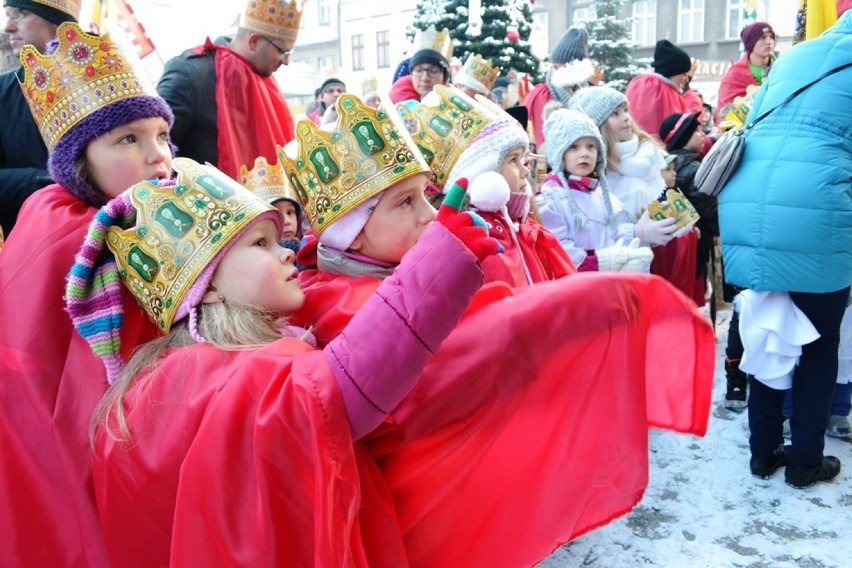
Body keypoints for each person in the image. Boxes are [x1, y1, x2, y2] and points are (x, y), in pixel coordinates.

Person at [281, 94, 715, 565]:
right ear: (353, 234)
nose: (429, 213)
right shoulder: (339, 300)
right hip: (415, 516)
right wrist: (584, 306)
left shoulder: (387, 268)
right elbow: (467, 349)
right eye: (406, 202)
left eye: (427, 194)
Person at [65, 156, 492, 565]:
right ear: (206, 289)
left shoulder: (159, 381)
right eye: (260, 244)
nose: (287, 250)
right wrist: (438, 263)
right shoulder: (223, 370)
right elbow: (332, 396)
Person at [0, 21, 172, 565]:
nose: (156, 154)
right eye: (128, 139)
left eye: (161, 135)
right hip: (76, 451)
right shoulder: (92, 239)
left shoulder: (70, 212)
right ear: (79, 163)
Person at [718, 8, 852, 488]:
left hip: (750, 202)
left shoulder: (799, 55)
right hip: (816, 206)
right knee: (818, 343)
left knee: (767, 331)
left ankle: (763, 452)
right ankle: (805, 462)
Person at [396, 84, 576, 287]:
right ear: (482, 174)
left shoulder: (521, 225)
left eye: (523, 160)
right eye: (513, 160)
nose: (525, 171)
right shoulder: (476, 237)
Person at [570, 86, 703, 304]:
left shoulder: (648, 153)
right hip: (611, 269)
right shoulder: (596, 169)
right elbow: (596, 227)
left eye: (625, 110)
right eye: (615, 114)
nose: (625, 118)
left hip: (648, 259)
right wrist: (636, 232)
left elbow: (663, 196)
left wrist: (675, 221)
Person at [156, 0, 299, 179]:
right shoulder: (191, 72)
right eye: (282, 52)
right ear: (254, 41)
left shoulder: (267, 82)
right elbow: (157, 146)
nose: (286, 62)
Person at [535, 108, 663, 273]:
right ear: (559, 153)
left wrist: (629, 255)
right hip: (577, 289)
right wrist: (602, 262)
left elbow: (615, 238)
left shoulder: (603, 195)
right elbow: (559, 251)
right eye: (574, 147)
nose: (585, 154)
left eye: (590, 146)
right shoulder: (549, 198)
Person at [1, 0, 77, 237]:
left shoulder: (108, 82)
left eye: (20, 14)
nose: (8, 27)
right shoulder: (3, 93)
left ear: (56, 19)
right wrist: (41, 181)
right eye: (7, 15)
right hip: (33, 244)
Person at [524, 26, 597, 149]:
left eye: (559, 67)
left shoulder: (584, 94)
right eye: (554, 67)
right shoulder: (542, 94)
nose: (555, 72)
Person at [625, 39, 692, 140]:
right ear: (673, 71)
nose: (686, 79)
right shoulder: (663, 91)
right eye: (683, 74)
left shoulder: (641, 83)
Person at [238, 155, 304, 254]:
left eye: (290, 212)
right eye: (277, 215)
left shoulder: (309, 250)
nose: (286, 221)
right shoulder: (256, 258)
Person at [716, 22, 776, 124]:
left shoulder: (780, 69)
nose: (769, 42)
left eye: (771, 37)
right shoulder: (734, 75)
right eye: (763, 38)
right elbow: (725, 113)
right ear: (751, 43)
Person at [389, 25, 452, 103]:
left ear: (444, 78)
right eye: (419, 70)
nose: (425, 78)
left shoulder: (455, 103)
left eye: (434, 71)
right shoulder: (395, 107)